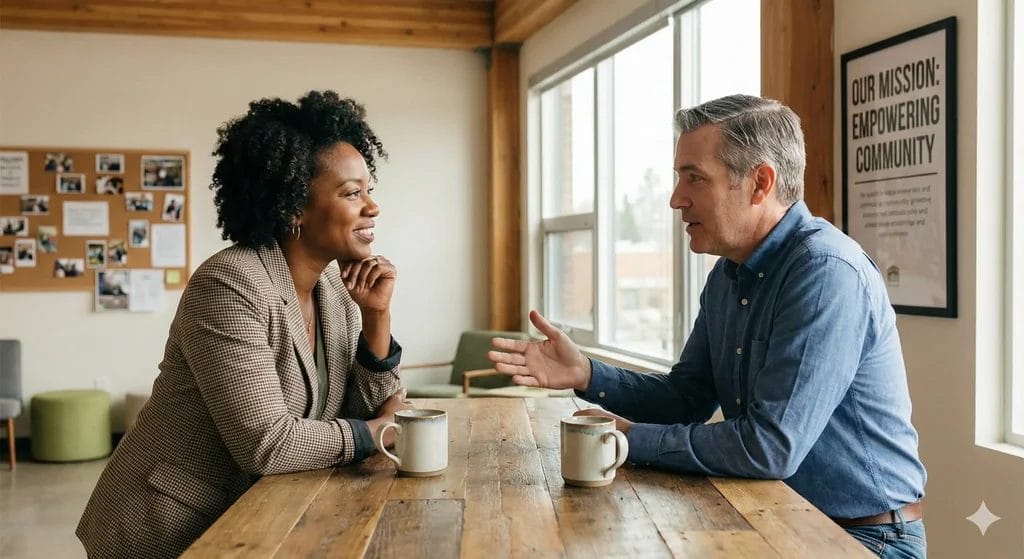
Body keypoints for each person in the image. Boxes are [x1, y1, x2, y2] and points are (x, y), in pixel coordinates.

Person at [489, 95, 927, 558]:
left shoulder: (825, 272)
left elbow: (768, 447)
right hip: (773, 518)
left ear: (760, 183)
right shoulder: (727, 273)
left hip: (864, 538)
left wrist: (627, 440)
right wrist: (588, 375)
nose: (676, 198)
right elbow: (687, 398)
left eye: (693, 178)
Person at [77, 90, 415, 558]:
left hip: (258, 514)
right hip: (167, 526)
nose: (372, 207)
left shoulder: (334, 289)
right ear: (293, 208)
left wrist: (376, 317)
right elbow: (266, 443)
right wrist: (379, 432)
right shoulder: (231, 284)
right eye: (351, 193)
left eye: (369, 189)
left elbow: (373, 405)